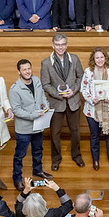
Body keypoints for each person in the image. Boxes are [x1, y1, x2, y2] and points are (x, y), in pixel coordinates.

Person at [41, 33, 84, 170]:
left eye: (63, 44)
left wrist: (73, 91)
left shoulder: (75, 59)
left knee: (75, 131)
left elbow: (81, 77)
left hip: (73, 101)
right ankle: (56, 158)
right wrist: (59, 94)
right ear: (53, 45)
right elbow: (45, 84)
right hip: (56, 103)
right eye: (58, 45)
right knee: (54, 133)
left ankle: (76, 156)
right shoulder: (46, 63)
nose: (60, 47)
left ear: (67, 45)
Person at [9, 59, 52, 192]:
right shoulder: (14, 89)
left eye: (29, 68)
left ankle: (37, 170)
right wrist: (33, 115)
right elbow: (16, 110)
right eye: (24, 69)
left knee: (38, 150)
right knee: (20, 155)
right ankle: (17, 178)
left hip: (38, 125)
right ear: (19, 72)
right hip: (24, 128)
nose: (27, 72)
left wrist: (46, 105)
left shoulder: (37, 81)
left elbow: (42, 98)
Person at [80, 47, 109, 170]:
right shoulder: (88, 72)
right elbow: (83, 89)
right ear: (93, 59)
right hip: (92, 110)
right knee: (94, 135)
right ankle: (95, 160)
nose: (100, 60)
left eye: (102, 57)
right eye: (97, 57)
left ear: (105, 57)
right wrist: (92, 99)